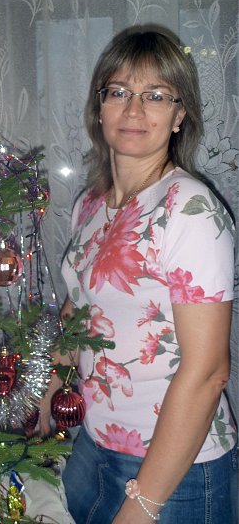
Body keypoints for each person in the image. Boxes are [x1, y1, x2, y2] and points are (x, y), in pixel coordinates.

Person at [40, 29, 237, 523]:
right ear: (99, 107)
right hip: (94, 446)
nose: (133, 110)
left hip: (176, 470)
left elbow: (208, 371)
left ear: (179, 115)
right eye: (119, 92)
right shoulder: (91, 204)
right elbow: (79, 310)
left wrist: (143, 506)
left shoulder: (188, 208)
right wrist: (47, 392)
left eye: (155, 96)